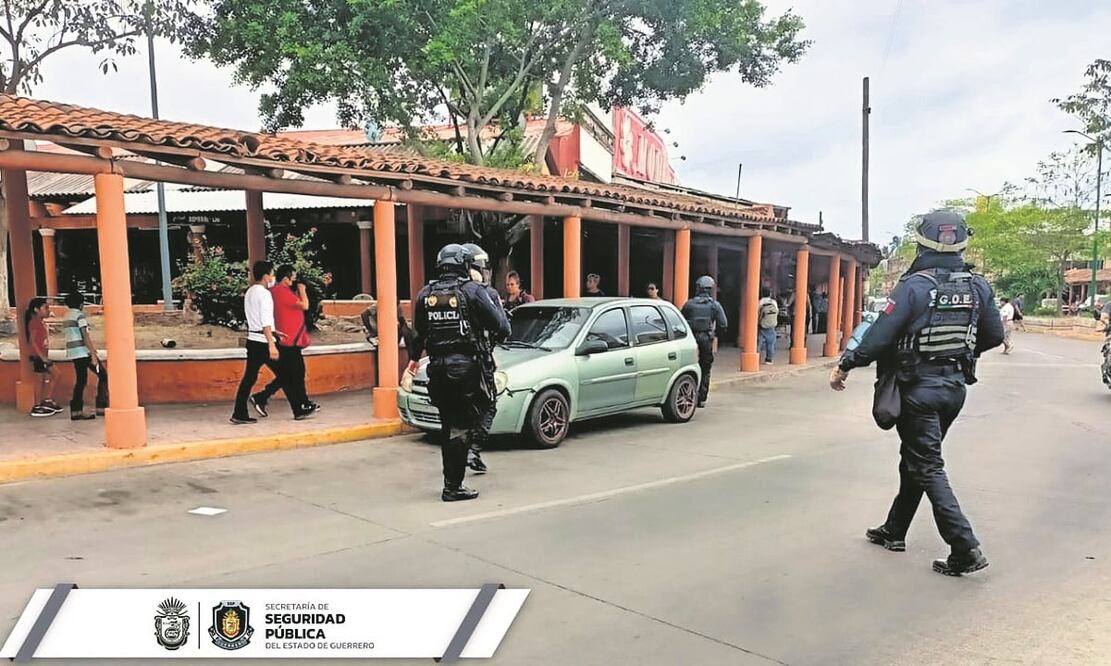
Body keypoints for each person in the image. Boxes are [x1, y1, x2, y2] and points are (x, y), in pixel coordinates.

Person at [829, 210, 1004, 577]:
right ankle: (894, 530)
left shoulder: (915, 286)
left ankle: (964, 546)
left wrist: (847, 363)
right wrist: (958, 354)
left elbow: (879, 336)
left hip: (918, 389)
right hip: (954, 389)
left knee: (926, 464)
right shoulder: (978, 286)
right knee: (918, 457)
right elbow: (993, 336)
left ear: (922, 243)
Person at [409, 243, 510, 501]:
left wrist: (412, 360)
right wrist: (493, 300)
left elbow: (418, 334)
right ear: (465, 265)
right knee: (467, 422)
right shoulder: (472, 291)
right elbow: (502, 327)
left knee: (449, 425)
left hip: (438, 368)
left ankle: (454, 478)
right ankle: (453, 486)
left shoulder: (425, 294)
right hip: (466, 368)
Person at [462, 242, 508, 474]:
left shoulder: (438, 291)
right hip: (478, 361)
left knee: (456, 414)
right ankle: (473, 450)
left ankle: (457, 463)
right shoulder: (485, 293)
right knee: (488, 405)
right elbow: (503, 327)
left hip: (445, 362)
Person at [250, 265, 319, 421]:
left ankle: (303, 403)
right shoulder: (280, 291)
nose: (294, 280)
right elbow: (305, 305)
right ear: (286, 278)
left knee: (294, 373)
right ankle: (265, 397)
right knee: (291, 374)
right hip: (288, 340)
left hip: (288, 338)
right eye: (293, 277)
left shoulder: (278, 292)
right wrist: (302, 289)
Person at [230, 261, 283, 425]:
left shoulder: (250, 292)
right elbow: (265, 320)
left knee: (249, 378)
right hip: (263, 341)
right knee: (288, 373)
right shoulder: (265, 294)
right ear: (267, 276)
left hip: (253, 339)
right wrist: (271, 344)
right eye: (272, 274)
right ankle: (261, 397)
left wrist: (274, 332)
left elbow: (256, 318)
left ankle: (239, 412)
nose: (273, 277)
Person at [681, 276, 728, 408]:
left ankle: (687, 394)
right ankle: (701, 398)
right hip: (706, 339)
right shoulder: (714, 306)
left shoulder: (689, 304)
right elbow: (724, 324)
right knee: (705, 368)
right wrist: (715, 334)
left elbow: (680, 320)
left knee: (686, 367)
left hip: (690, 339)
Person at [62, 291, 107, 421]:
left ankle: (76, 411)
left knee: (81, 381)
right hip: (83, 352)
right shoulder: (79, 316)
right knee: (103, 376)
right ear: (81, 304)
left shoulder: (66, 316)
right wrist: (93, 353)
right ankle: (101, 406)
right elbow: (85, 336)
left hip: (73, 352)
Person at [24, 297, 61, 417]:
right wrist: (42, 357)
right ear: (36, 309)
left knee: (50, 377)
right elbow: (32, 341)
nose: (48, 310)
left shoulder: (40, 322)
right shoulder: (34, 322)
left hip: (42, 356)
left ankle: (46, 400)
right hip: (38, 357)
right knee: (45, 378)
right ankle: (37, 405)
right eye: (45, 308)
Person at [757, 288, 779, 365]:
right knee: (771, 343)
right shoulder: (774, 302)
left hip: (762, 325)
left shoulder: (760, 302)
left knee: (758, 343)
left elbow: (757, 313)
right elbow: (777, 311)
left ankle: (756, 358)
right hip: (772, 325)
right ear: (770, 294)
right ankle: (769, 359)